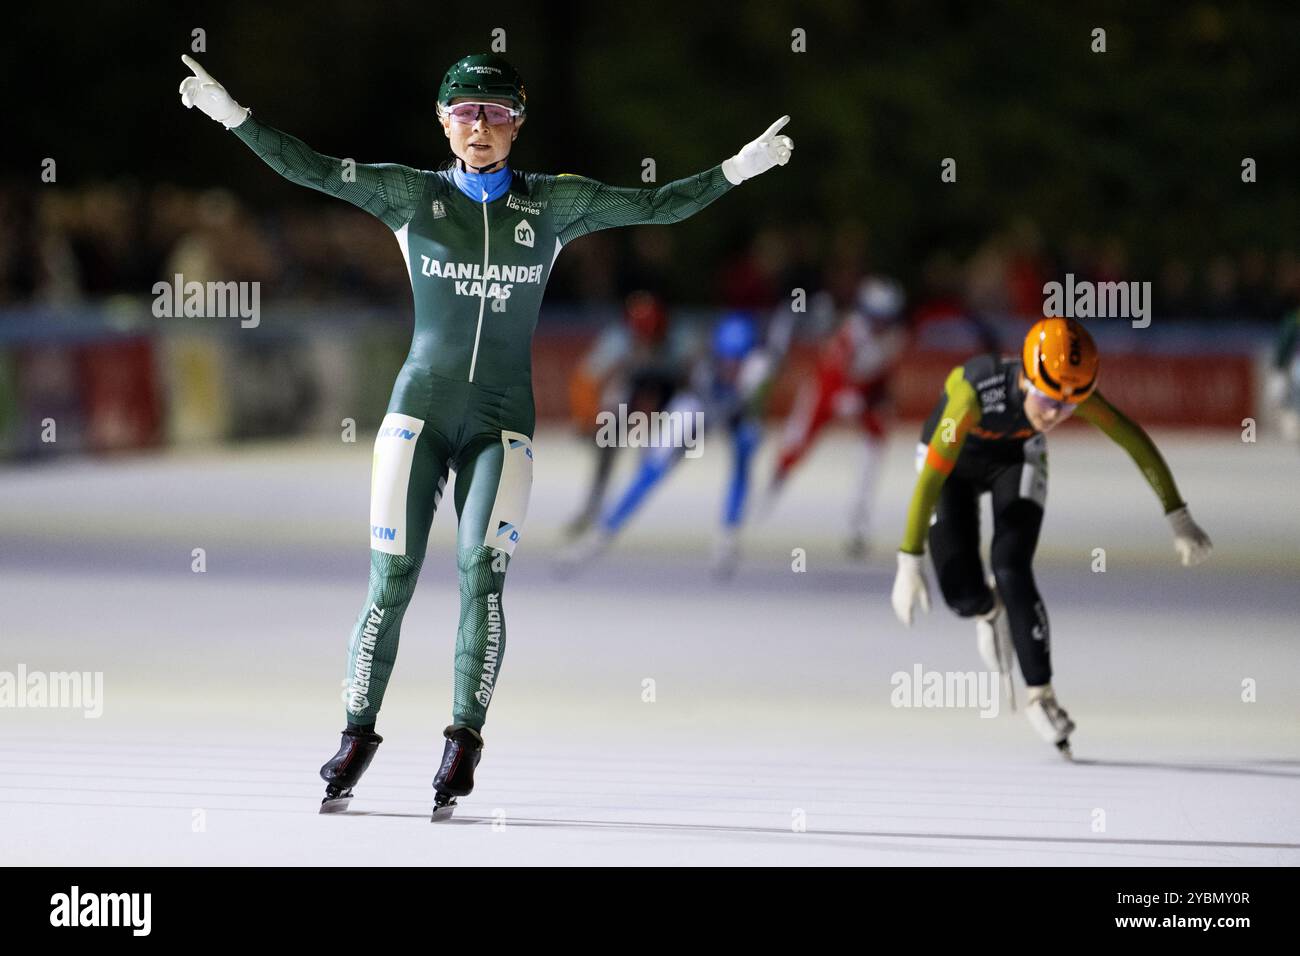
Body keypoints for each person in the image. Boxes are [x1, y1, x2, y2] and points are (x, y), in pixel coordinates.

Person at [179, 52, 794, 817]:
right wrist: (234, 116)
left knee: (482, 574)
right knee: (391, 579)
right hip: (420, 412)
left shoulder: (556, 203)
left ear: (518, 126)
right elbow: (309, 169)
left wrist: (739, 167)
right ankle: (356, 734)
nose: (480, 127)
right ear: (443, 121)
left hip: (502, 419)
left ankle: (463, 740)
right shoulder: (411, 195)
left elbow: (658, 204)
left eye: (497, 114)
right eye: (466, 112)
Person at [889, 317, 1212, 756]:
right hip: (952, 470)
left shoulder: (1063, 387)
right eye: (1046, 400)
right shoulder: (971, 397)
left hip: (1016, 461)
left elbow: (1131, 439)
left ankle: (1041, 694)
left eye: (1069, 406)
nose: (1054, 414)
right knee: (962, 596)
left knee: (1010, 565)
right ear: (1025, 377)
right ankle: (989, 610)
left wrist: (1178, 515)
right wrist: (908, 561)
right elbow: (930, 480)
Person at [763, 275, 908, 557]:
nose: (879, 324)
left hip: (866, 396)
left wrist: (878, 400)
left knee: (874, 446)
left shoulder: (895, 336)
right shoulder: (849, 333)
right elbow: (833, 371)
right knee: (796, 444)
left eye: (885, 317)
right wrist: (844, 394)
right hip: (828, 391)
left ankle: (859, 519)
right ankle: (767, 498)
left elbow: (882, 374)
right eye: (875, 316)